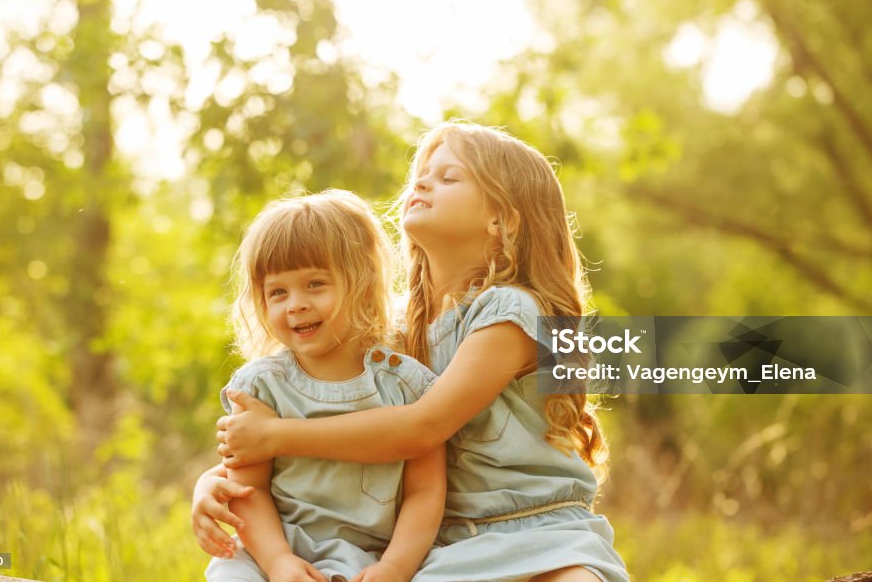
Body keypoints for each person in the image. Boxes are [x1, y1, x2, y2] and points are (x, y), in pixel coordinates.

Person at [198, 121, 628, 581]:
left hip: (540, 535)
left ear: (500, 219)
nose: (422, 182)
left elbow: (423, 427)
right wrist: (212, 481)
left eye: (448, 177)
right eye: (422, 174)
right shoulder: (401, 332)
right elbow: (321, 401)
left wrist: (275, 436)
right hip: (444, 547)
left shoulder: (509, 310)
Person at [198, 190, 446, 582]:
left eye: (315, 284)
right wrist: (278, 561)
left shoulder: (404, 383)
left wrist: (396, 567)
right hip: (270, 550)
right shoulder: (260, 387)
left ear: (362, 282)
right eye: (278, 291)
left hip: (375, 556)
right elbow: (248, 491)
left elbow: (425, 491)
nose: (295, 304)